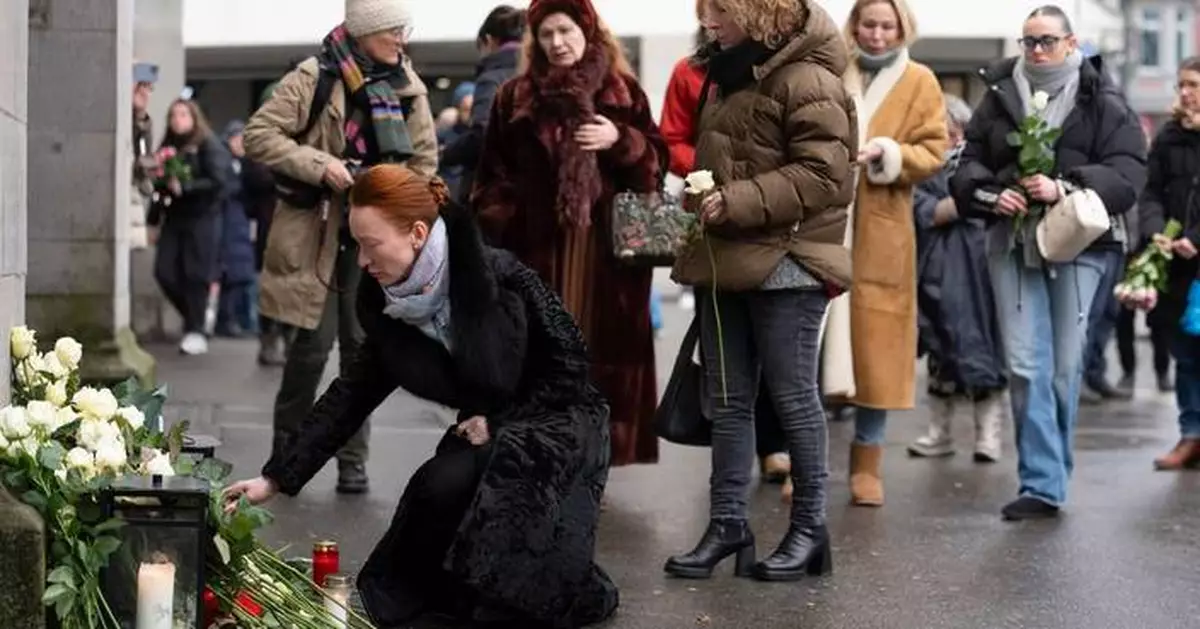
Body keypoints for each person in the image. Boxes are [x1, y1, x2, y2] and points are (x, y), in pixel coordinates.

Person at [223, 165, 618, 628]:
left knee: (504, 498)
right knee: (438, 485)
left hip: (560, 417)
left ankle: (550, 592)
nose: (363, 261)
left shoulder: (500, 275)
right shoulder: (388, 310)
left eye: (371, 244)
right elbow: (349, 397)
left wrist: (500, 422)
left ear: (416, 234)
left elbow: (572, 363)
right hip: (487, 426)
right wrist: (274, 479)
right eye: (357, 244)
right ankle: (427, 596)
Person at [664, 0, 854, 581]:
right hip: (726, 256)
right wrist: (705, 195)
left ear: (758, 12)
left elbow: (824, 174)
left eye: (720, 11)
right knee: (727, 400)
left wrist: (737, 198)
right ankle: (727, 526)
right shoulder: (727, 74)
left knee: (793, 398)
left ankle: (810, 529)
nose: (709, 23)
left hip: (789, 261)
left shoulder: (809, 78)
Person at [951, 5, 1146, 520]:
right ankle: (1041, 482)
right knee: (1023, 363)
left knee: (1063, 368)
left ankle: (1051, 474)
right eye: (1029, 41)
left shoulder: (1102, 98)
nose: (1037, 51)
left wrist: (1065, 185)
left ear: (1070, 43)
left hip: (1080, 245)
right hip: (1011, 240)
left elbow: (1129, 173)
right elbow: (968, 164)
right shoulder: (999, 94)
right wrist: (992, 195)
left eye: (1047, 41)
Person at [244, 0, 438, 494]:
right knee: (311, 349)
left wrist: (391, 193)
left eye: (404, 29)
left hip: (374, 237)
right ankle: (284, 458)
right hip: (320, 230)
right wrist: (322, 165)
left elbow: (425, 163)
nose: (402, 40)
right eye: (393, 30)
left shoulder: (408, 86)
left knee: (361, 352)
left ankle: (353, 461)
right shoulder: (316, 75)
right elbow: (258, 135)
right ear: (365, 31)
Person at [472, 0, 666, 467]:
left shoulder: (623, 93)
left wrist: (621, 141)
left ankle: (591, 465)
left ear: (588, 30)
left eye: (566, 31)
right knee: (543, 358)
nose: (557, 43)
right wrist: (511, 218)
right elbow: (488, 178)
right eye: (546, 34)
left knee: (600, 359)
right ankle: (542, 460)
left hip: (608, 255)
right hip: (537, 253)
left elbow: (658, 165)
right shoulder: (514, 97)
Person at [831, 0, 947, 507]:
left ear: (902, 29)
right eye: (869, 24)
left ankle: (867, 464)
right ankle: (805, 461)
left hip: (882, 227)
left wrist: (888, 152)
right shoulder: (833, 71)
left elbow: (933, 149)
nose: (877, 35)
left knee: (875, 349)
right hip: (826, 224)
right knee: (815, 345)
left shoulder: (920, 81)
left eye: (886, 26)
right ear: (855, 26)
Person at [908, 94, 1008, 462]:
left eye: (956, 131)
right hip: (936, 272)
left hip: (979, 272)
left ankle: (988, 437)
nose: (953, 139)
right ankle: (940, 433)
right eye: (945, 132)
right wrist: (972, 200)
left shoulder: (983, 164)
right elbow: (927, 211)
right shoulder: (922, 170)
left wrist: (974, 199)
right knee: (940, 352)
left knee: (984, 352)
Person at [1139, 56, 1200, 470]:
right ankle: (1191, 435)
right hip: (1176, 266)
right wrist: (1155, 231)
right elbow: (1150, 193)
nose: (1185, 92)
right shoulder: (1168, 137)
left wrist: (1196, 239)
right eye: (1182, 85)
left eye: (1194, 85)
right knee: (1186, 354)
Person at [149, 99, 230, 356]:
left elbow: (219, 181)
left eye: (183, 114)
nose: (178, 119)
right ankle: (197, 318)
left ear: (194, 117)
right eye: (173, 115)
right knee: (164, 271)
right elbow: (159, 189)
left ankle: (196, 329)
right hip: (174, 217)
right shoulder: (168, 147)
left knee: (196, 274)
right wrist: (153, 219)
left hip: (202, 217)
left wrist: (187, 186)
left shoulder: (208, 144)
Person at [440, 5, 525, 205]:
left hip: (496, 192)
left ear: (488, 40)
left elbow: (482, 134)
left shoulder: (492, 79)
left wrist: (446, 154)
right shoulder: (538, 72)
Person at [215, 120, 260, 338]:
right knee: (231, 274)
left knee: (239, 274)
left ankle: (236, 320)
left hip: (239, 222)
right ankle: (226, 320)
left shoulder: (243, 164)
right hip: (229, 221)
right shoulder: (226, 163)